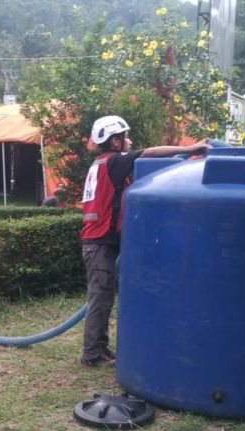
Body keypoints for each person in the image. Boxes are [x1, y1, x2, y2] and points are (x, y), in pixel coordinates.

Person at [80, 115, 209, 367]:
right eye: (125, 137)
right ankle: (91, 354)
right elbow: (150, 153)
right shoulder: (113, 162)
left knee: (103, 298)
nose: (130, 141)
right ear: (115, 142)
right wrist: (189, 149)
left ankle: (100, 350)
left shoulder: (101, 163)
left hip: (98, 241)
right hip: (99, 243)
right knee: (100, 298)